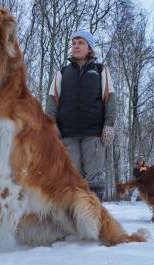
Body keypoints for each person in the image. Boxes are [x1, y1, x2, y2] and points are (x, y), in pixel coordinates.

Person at [45, 31, 116, 202]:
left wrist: (109, 125)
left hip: (93, 133)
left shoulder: (100, 71)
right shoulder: (62, 73)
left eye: (81, 42)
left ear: (90, 49)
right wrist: (51, 125)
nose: (76, 45)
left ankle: (93, 216)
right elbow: (51, 101)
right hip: (67, 134)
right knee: (70, 177)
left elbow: (110, 99)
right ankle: (72, 218)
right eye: (74, 42)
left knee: (93, 177)